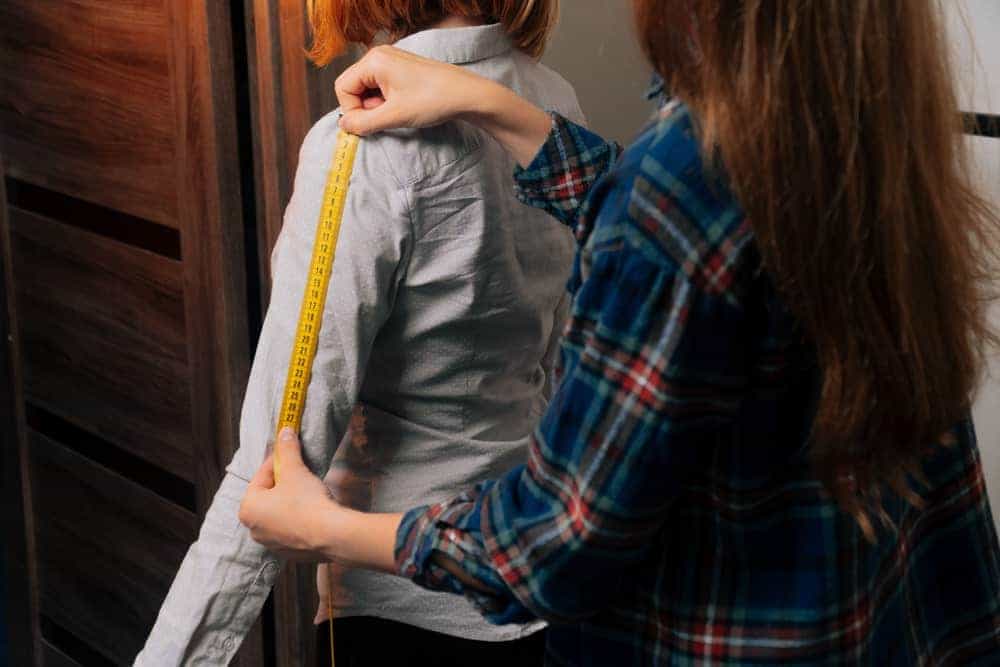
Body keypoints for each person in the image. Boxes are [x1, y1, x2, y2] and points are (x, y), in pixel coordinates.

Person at [238, 1, 1000, 665]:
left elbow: (548, 544)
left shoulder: (682, 185)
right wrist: (501, 109)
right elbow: (694, 244)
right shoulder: (868, 141)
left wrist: (327, 527)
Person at [135, 2, 586, 664]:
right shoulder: (554, 104)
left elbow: (272, 462)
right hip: (533, 590)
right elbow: (553, 360)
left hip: (404, 607)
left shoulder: (364, 145)